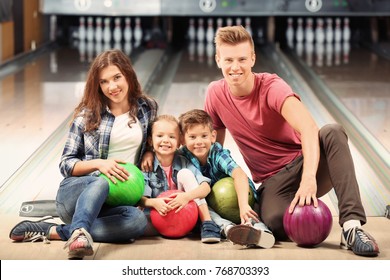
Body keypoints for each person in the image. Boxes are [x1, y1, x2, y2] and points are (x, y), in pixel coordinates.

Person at [204, 25, 379, 256]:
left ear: (253, 59)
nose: (235, 67)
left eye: (242, 59)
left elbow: (309, 128)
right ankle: (267, 216)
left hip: (305, 163)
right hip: (272, 180)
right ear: (218, 60)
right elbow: (215, 149)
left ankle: (351, 226)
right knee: (277, 221)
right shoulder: (215, 94)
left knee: (333, 132)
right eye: (228, 60)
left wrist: (308, 179)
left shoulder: (272, 87)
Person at [9, 49, 158, 259]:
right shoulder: (87, 116)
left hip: (117, 201)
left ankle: (57, 231)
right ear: (97, 85)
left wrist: (149, 152)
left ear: (128, 74)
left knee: (137, 221)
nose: (112, 87)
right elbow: (66, 164)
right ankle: (79, 232)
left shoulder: (148, 107)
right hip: (77, 194)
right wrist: (100, 165)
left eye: (117, 77)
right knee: (102, 182)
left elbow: (155, 138)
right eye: (104, 82)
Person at [178, 109, 275, 248]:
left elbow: (239, 174)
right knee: (202, 204)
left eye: (204, 136)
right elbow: (166, 156)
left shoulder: (218, 153)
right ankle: (229, 229)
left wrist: (243, 205)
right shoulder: (183, 155)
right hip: (214, 203)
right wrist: (149, 155)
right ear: (182, 139)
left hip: (241, 195)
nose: (199, 142)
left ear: (213, 136)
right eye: (192, 137)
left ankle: (261, 232)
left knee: (250, 214)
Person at [139, 114, 221, 243]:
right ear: (150, 140)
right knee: (136, 223)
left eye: (172, 137)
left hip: (184, 213)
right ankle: (200, 227)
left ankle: (207, 223)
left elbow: (205, 187)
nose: (166, 140)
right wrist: (154, 202)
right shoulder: (147, 166)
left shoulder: (184, 161)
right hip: (160, 216)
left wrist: (186, 197)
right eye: (160, 136)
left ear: (179, 142)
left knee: (185, 173)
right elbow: (141, 199)